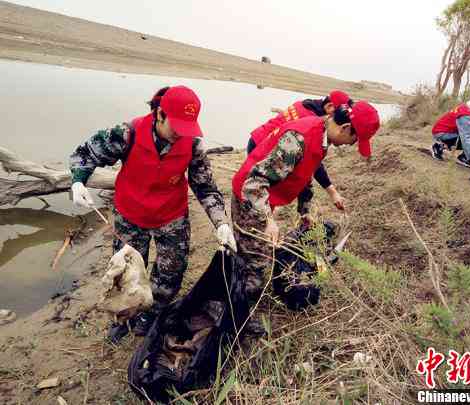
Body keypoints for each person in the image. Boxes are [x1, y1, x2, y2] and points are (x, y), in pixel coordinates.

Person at [69, 85, 236, 338]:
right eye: (176, 128)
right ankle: (124, 317)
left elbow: (205, 187)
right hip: (130, 215)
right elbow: (85, 153)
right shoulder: (127, 133)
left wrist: (221, 223)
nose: (181, 135)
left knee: (171, 272)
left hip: (171, 216)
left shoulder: (192, 145)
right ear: (160, 115)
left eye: (186, 129)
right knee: (126, 273)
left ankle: (151, 314)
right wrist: (78, 181)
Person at [231, 101, 380, 302]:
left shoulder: (322, 136)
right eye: (354, 140)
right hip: (249, 196)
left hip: (265, 195)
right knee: (253, 263)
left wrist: (305, 210)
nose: (350, 145)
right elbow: (254, 183)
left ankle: (242, 299)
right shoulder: (299, 139)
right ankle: (237, 313)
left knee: (259, 256)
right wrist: (268, 220)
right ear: (345, 128)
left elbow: (305, 173)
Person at [248, 90, 354, 213]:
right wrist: (331, 191)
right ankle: (261, 218)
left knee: (262, 185)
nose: (339, 117)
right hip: (262, 145)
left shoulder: (307, 104)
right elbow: (313, 165)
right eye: (338, 112)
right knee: (263, 186)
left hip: (260, 139)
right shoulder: (311, 122)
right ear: (329, 106)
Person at [431, 99, 470, 169]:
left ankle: (464, 156)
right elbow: (466, 139)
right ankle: (439, 146)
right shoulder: (466, 116)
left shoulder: (468, 108)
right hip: (441, 134)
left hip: (447, 131)